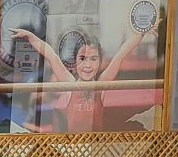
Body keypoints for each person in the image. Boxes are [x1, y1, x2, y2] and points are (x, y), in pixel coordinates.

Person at [9, 26, 149, 133]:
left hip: (96, 146)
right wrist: (31, 37)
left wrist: (141, 32)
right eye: (82, 58)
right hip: (75, 147)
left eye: (93, 59)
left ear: (100, 61)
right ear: (75, 61)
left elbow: (121, 54)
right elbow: (51, 55)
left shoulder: (101, 85)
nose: (87, 65)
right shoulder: (70, 84)